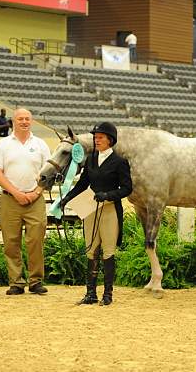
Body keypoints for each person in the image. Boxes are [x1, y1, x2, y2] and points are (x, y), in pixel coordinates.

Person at [59, 122, 132, 306]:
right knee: (90, 250)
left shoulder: (120, 162)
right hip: (90, 206)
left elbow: (127, 188)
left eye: (100, 137)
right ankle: (90, 293)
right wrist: (66, 198)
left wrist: (108, 195)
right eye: (95, 137)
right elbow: (83, 183)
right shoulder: (91, 159)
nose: (96, 140)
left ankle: (108, 294)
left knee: (108, 251)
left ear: (110, 140)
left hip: (109, 208)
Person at [0, 108, 51, 295]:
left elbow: (48, 173)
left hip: (35, 200)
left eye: (27, 119)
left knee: (36, 241)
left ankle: (36, 281)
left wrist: (37, 192)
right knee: (11, 242)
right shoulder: (3, 145)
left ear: (31, 121)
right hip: (10, 200)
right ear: (13, 121)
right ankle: (16, 282)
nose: (24, 122)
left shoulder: (41, 144)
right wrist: (16, 192)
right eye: (20, 119)